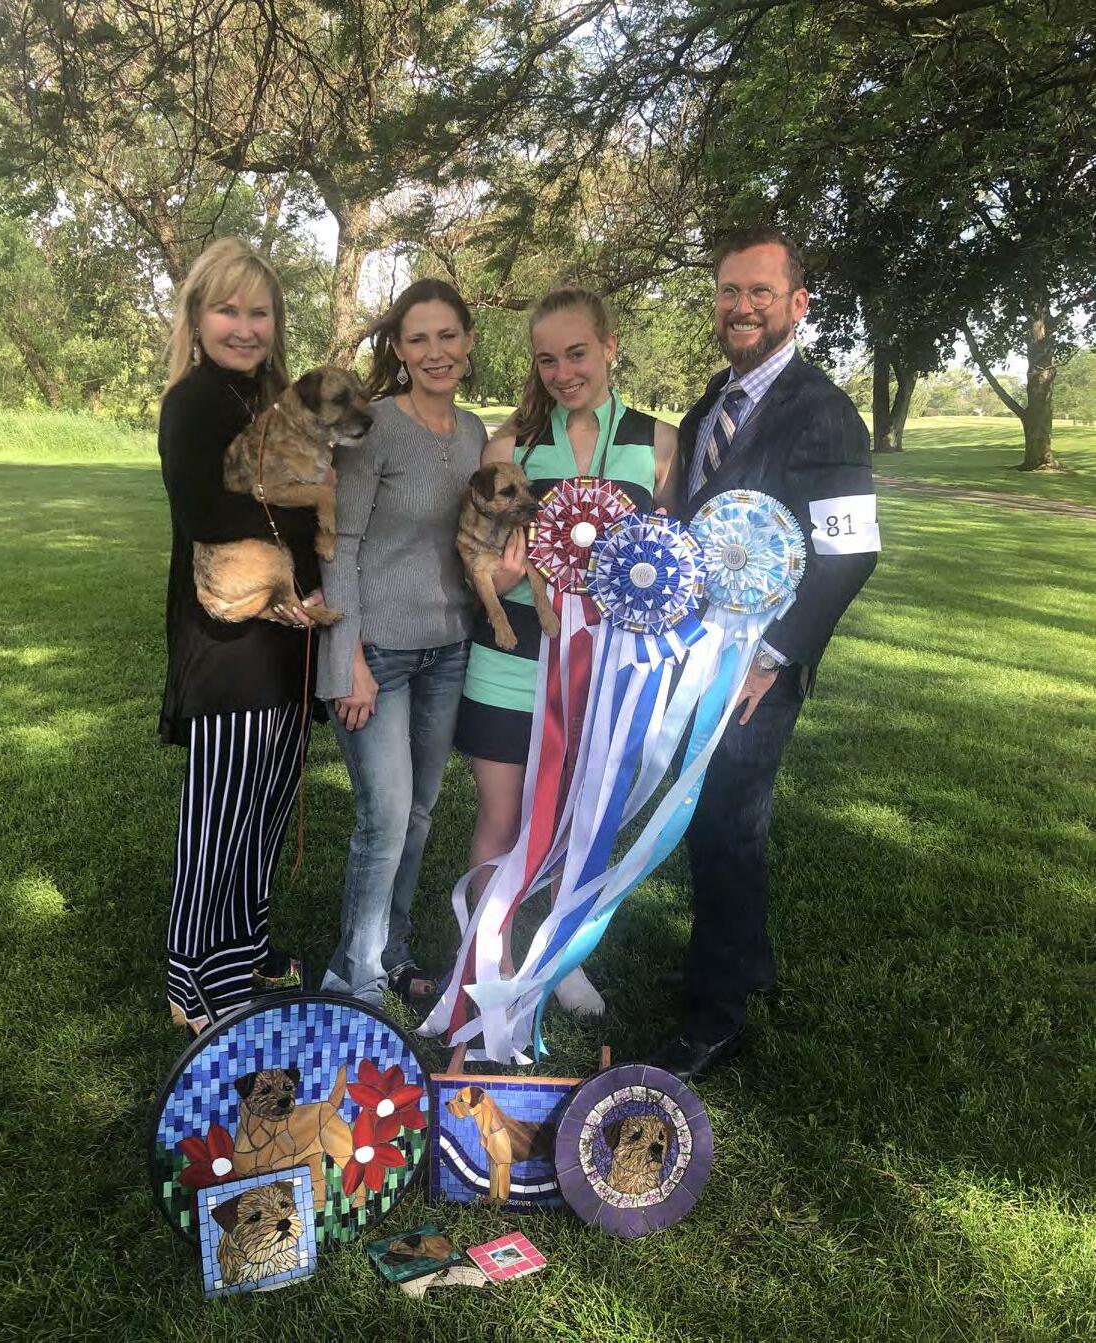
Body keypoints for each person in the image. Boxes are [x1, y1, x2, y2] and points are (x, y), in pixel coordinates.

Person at [653, 224, 880, 1082]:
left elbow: (849, 552)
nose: (741, 306)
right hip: (698, 650)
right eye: (729, 291)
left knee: (727, 823)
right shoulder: (716, 397)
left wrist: (774, 655)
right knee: (712, 817)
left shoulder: (823, 410)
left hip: (758, 665)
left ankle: (716, 1017)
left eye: (759, 292)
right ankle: (743, 963)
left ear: (797, 304)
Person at [454, 287, 680, 1015]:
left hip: (605, 669)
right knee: (501, 817)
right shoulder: (508, 447)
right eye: (547, 359)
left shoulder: (660, 443)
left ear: (610, 347)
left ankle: (559, 955)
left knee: (579, 818)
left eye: (577, 353)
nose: (562, 372)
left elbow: (672, 561)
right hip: (510, 659)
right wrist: (500, 576)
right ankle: (492, 956)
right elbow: (476, 561)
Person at [159, 236, 324, 1034]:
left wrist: (310, 582)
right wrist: (298, 528)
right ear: (197, 317)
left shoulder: (276, 401)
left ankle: (246, 948)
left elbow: (311, 505)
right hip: (229, 645)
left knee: (265, 804)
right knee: (219, 816)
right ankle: (194, 980)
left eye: (260, 313)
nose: (245, 327)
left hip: (288, 637)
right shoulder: (193, 401)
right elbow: (204, 511)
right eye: (228, 310)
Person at [318, 279, 486, 1007]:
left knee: (418, 814)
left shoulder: (475, 433)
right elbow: (338, 544)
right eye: (418, 338)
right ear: (399, 348)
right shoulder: (375, 427)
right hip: (376, 654)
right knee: (384, 816)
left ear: (468, 341)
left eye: (447, 335)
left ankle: (392, 949)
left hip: (448, 650)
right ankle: (353, 978)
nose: (435, 351)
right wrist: (346, 658)